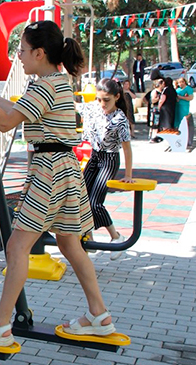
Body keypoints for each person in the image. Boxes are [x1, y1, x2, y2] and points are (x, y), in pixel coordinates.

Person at [0, 20, 115, 347]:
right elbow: (16, 110)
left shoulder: (44, 86)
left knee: (17, 247)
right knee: (70, 245)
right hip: (66, 169)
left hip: (49, 170)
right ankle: (99, 315)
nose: (19, 56)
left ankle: (0, 325)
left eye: (23, 50)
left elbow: (5, 122)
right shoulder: (58, 81)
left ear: (39, 53)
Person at [77, 78, 134, 261]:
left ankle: (116, 237)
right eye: (99, 99)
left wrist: (128, 175)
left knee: (95, 203)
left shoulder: (120, 119)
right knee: (81, 199)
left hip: (109, 159)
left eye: (106, 100)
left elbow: (127, 148)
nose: (102, 104)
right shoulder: (94, 108)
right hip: (94, 157)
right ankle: (89, 237)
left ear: (117, 97)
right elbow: (75, 106)